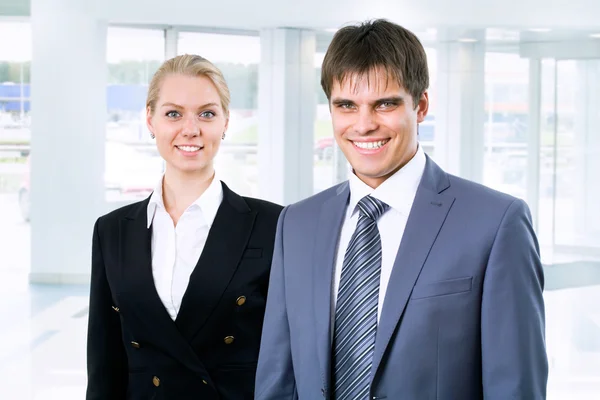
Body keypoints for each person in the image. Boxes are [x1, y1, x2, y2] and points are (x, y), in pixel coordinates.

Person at [255, 19, 548, 399]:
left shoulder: (495, 224)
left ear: (421, 105)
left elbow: (515, 388)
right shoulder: (296, 223)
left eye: (385, 104)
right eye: (346, 105)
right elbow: (279, 381)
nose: (364, 125)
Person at [86, 54, 282, 400]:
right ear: (150, 120)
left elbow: (287, 359)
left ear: (225, 122)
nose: (190, 129)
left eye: (206, 113)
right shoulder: (111, 231)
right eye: (173, 113)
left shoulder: (274, 225)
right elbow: (105, 365)